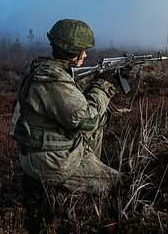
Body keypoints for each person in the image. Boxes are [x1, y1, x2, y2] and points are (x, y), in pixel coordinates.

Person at [10, 19, 122, 197]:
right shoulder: (52, 80)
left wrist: (96, 78)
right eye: (82, 51)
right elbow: (88, 120)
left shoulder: (45, 69)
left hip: (40, 152)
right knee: (119, 184)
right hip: (51, 161)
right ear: (71, 52)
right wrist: (105, 86)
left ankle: (87, 166)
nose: (85, 55)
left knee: (101, 116)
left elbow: (69, 93)